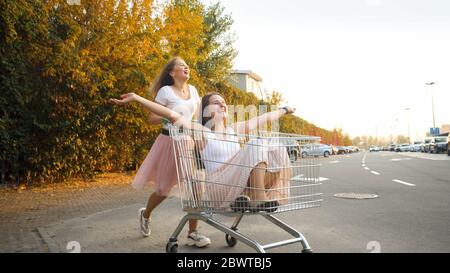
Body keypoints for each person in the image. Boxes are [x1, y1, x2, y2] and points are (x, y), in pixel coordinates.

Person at [111, 91, 296, 213]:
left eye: (224, 102)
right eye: (216, 103)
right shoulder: (201, 132)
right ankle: (257, 198)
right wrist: (136, 98)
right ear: (207, 112)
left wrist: (285, 109)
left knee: (276, 148)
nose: (223, 105)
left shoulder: (234, 130)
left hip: (239, 184)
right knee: (256, 143)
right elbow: (172, 115)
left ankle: (249, 197)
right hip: (218, 186)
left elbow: (262, 119)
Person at [116, 57, 211, 248]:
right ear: (171, 72)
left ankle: (192, 233)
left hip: (187, 143)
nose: (187, 67)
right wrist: (169, 116)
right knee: (163, 191)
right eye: (182, 65)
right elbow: (152, 118)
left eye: (187, 66)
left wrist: (201, 132)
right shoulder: (165, 91)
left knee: (194, 188)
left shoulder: (192, 90)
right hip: (168, 143)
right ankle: (145, 214)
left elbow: (197, 116)